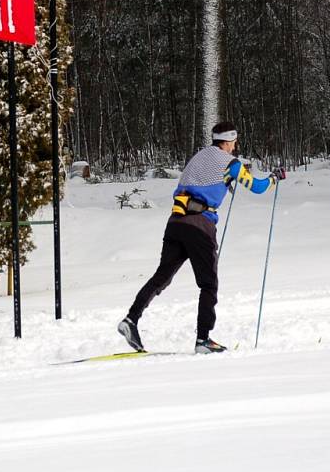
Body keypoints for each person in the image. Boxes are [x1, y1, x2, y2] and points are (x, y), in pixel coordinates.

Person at [118, 122, 278, 354]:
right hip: (199, 226)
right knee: (208, 284)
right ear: (226, 142)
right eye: (234, 142)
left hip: (176, 222)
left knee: (161, 276)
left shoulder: (198, 157)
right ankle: (203, 340)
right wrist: (275, 178)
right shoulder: (231, 164)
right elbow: (258, 187)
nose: (235, 147)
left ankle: (131, 320)